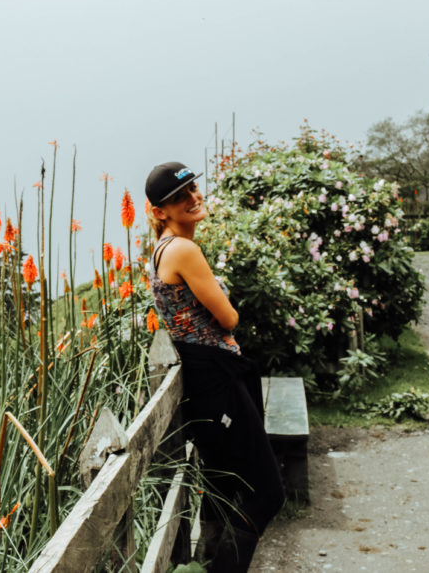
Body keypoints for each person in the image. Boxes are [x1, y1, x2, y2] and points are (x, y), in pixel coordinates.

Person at [145, 161, 284, 571]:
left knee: (226, 486)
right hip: (215, 376)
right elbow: (229, 318)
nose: (192, 198)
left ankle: (210, 562)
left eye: (193, 188)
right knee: (267, 494)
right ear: (159, 212)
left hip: (203, 375)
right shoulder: (184, 250)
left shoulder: (160, 250)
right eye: (178, 197)